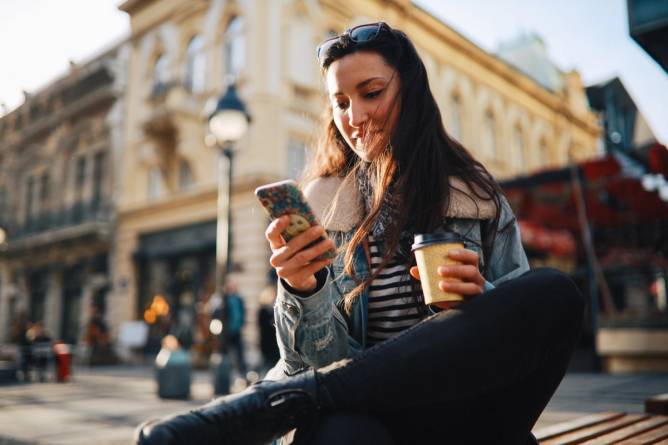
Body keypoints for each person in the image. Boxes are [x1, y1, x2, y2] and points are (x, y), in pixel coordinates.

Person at [135, 22, 584, 445]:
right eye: (341, 102)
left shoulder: (477, 195)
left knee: (553, 291)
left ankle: (278, 402)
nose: (355, 115)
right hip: (376, 425)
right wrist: (304, 291)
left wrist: (482, 300)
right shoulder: (324, 207)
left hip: (468, 414)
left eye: (371, 93)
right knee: (338, 433)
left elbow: (526, 336)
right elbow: (312, 361)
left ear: (410, 90)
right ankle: (302, 397)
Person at [257, 285, 280, 375]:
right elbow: (262, 324)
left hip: (274, 341)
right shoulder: (263, 310)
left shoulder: (274, 308)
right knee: (267, 362)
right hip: (267, 340)